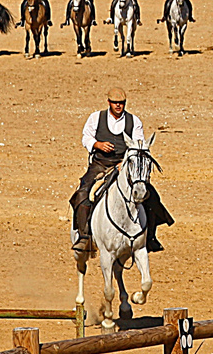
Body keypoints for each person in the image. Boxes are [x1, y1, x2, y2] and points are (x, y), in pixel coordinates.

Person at [70, 87, 173, 254]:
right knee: (83, 193)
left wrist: (124, 163)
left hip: (124, 165)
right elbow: (86, 137)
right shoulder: (96, 118)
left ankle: (150, 237)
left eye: (121, 103)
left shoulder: (134, 121)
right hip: (100, 165)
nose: (118, 106)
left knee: (151, 196)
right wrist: (97, 144)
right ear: (109, 102)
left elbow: (139, 146)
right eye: (115, 103)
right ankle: (84, 236)